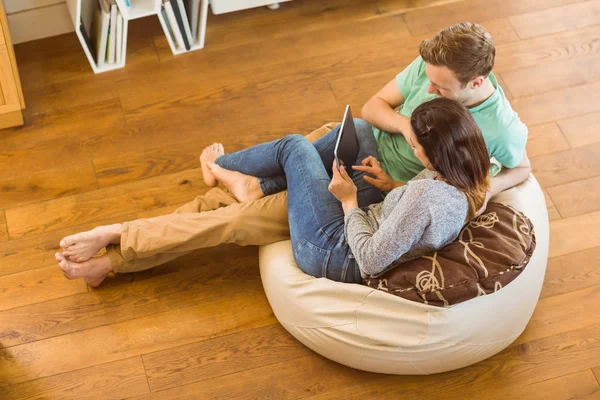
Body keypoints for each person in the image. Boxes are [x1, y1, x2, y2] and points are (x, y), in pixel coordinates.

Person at [56, 98, 490, 287]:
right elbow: (416, 216)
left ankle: (224, 171)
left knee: (292, 147)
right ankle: (248, 185)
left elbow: (371, 258)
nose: (411, 149)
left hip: (334, 248)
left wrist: (348, 201)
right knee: (356, 130)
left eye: (415, 145)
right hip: (371, 216)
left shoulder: (428, 195)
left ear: (438, 153)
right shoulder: (465, 179)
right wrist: (392, 185)